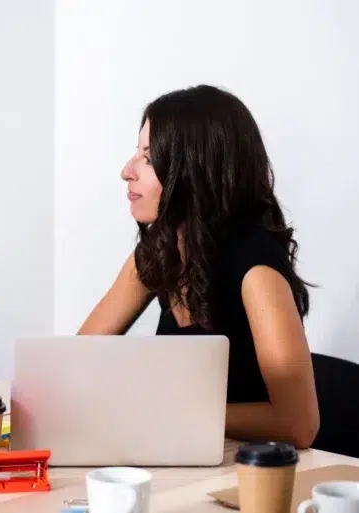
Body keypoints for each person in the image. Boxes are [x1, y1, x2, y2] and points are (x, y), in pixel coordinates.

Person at [78, 84, 320, 449]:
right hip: (190, 458)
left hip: (253, 477)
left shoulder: (256, 273)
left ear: (193, 170)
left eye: (148, 156)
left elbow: (299, 424)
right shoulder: (158, 252)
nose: (127, 171)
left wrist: (166, 411)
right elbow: (74, 361)